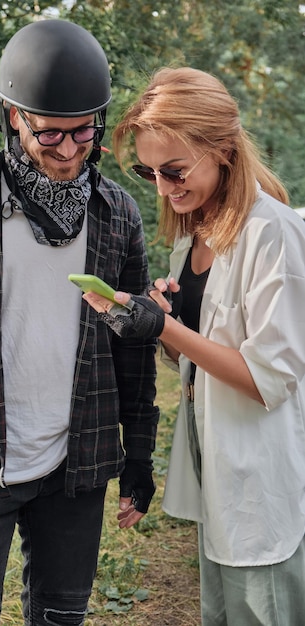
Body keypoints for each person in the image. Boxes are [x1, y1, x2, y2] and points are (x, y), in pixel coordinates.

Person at [0, 20, 159, 626]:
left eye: (83, 134)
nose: (69, 152)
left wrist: (140, 456)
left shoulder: (118, 213)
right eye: (49, 135)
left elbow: (133, 349)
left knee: (62, 616)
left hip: (78, 463)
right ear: (13, 116)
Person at [83, 67, 305, 625]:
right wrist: (164, 318)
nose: (162, 187)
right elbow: (200, 362)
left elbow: (269, 379)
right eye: (148, 171)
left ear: (223, 149)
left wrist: (166, 329)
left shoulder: (273, 234)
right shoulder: (195, 239)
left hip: (263, 489)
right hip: (219, 484)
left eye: (175, 170)